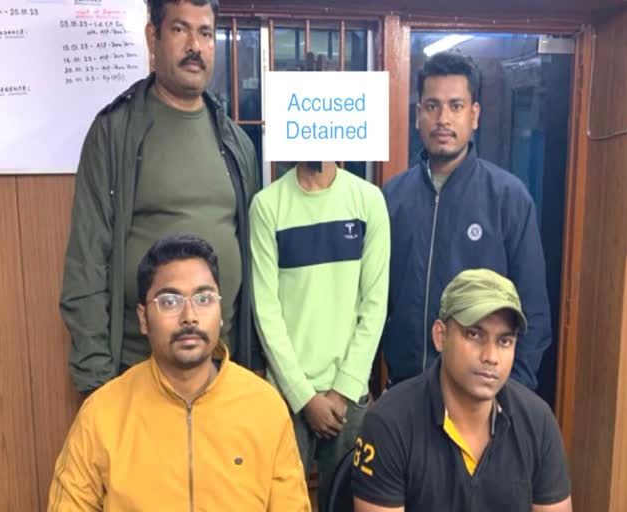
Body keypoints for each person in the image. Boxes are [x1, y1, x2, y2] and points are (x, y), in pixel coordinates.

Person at [60, 0, 260, 396]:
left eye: (205, 33)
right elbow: (86, 265)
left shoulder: (235, 141)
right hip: (138, 374)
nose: (195, 46)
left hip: (223, 371)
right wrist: (97, 387)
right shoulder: (115, 134)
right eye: (180, 29)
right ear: (153, 36)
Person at [49, 234, 311, 511]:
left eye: (204, 298)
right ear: (143, 319)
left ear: (220, 311)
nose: (189, 316)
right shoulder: (102, 414)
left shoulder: (264, 407)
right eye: (170, 301)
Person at [382, 51, 551, 390]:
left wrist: (509, 396)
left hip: (480, 397)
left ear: (474, 115)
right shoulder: (392, 198)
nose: (443, 118)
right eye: (432, 106)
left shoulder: (508, 198)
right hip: (408, 390)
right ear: (418, 115)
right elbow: (377, 303)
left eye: (456, 106)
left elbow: (534, 313)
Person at [352, 269, 572, 512]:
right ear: (440, 336)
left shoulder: (538, 422)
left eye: (504, 341)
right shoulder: (389, 423)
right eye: (474, 334)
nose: (491, 357)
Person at [250, 155, 390, 506]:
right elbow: (266, 310)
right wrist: (304, 397)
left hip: (349, 395)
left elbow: (374, 306)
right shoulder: (267, 206)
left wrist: (342, 391)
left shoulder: (368, 200)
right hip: (286, 397)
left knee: (346, 501)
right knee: (280, 502)